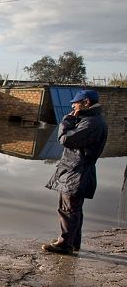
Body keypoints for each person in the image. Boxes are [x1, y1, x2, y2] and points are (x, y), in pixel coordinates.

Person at [43, 89, 108, 254]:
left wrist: (67, 120)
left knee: (68, 209)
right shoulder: (90, 120)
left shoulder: (91, 123)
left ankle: (65, 244)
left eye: (76, 103)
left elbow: (66, 139)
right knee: (73, 209)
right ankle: (72, 242)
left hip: (77, 172)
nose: (73, 106)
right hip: (75, 170)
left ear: (86, 102)